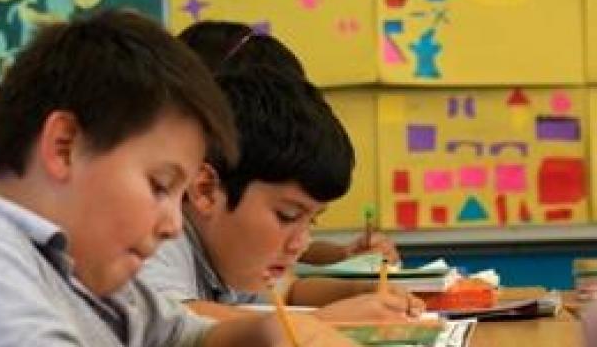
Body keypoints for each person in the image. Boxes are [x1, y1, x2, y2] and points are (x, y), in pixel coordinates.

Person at [0, 10, 355, 347]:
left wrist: (265, 332)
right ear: (65, 146)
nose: (173, 225)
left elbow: (183, 334)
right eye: (160, 185)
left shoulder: (84, 271)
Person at [138, 67, 423, 322]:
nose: (301, 244)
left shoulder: (233, 255)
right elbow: (172, 321)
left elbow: (288, 289)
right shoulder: (158, 240)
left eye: (311, 221)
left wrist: (363, 291)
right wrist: (319, 325)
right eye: (287, 216)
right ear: (206, 190)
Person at [179, 20, 399, 265]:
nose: (300, 243)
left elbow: (285, 276)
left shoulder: (228, 230)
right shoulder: (170, 232)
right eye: (287, 215)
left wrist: (342, 257)